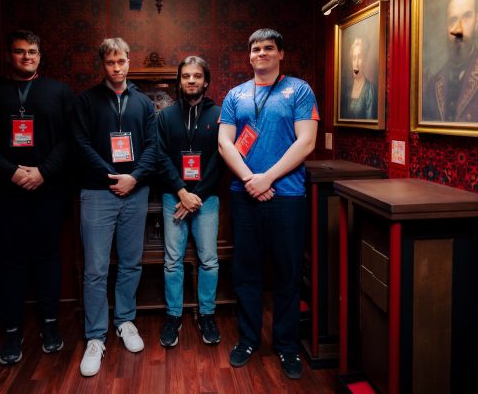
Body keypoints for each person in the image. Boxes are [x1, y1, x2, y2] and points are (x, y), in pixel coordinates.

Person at [0, 29, 75, 366]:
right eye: (20, 51)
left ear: (40, 56)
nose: (27, 57)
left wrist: (44, 171)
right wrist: (9, 170)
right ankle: (12, 331)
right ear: (8, 55)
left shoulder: (59, 92)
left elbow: (72, 138)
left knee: (48, 258)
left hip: (48, 190)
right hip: (4, 192)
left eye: (33, 52)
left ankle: (50, 325)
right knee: (10, 261)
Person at [217, 28, 318, 379]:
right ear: (249, 56)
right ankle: (248, 340)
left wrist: (268, 178)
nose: (261, 53)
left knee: (288, 273)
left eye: (269, 48)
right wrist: (251, 180)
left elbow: (306, 142)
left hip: (287, 196)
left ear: (280, 53)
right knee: (246, 272)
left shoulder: (299, 90)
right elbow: (225, 143)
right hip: (244, 196)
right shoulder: (235, 95)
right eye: (256, 49)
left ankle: (287, 345)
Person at [74, 37, 157, 377]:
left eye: (121, 61)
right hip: (98, 192)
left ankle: (124, 320)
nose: (117, 67)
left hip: (135, 192)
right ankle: (95, 336)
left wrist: (133, 178)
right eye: (110, 62)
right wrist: (111, 176)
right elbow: (80, 143)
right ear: (103, 65)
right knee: (95, 269)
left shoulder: (144, 103)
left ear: (129, 61)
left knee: (130, 262)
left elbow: (153, 146)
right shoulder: (86, 101)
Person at [156, 56, 223, 347]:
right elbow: (160, 156)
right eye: (186, 76)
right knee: (172, 262)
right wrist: (182, 192)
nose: (191, 80)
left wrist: (197, 195)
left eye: (197, 76)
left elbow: (221, 159)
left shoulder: (219, 115)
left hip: (207, 199)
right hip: (174, 196)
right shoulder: (166, 116)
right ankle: (174, 315)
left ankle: (206, 314)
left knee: (209, 261)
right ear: (180, 81)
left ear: (206, 81)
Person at [342, 36, 377, 120]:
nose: (356, 63)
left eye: (360, 57)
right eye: (354, 58)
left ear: (364, 61)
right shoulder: (347, 87)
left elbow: (369, 121)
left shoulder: (370, 89)